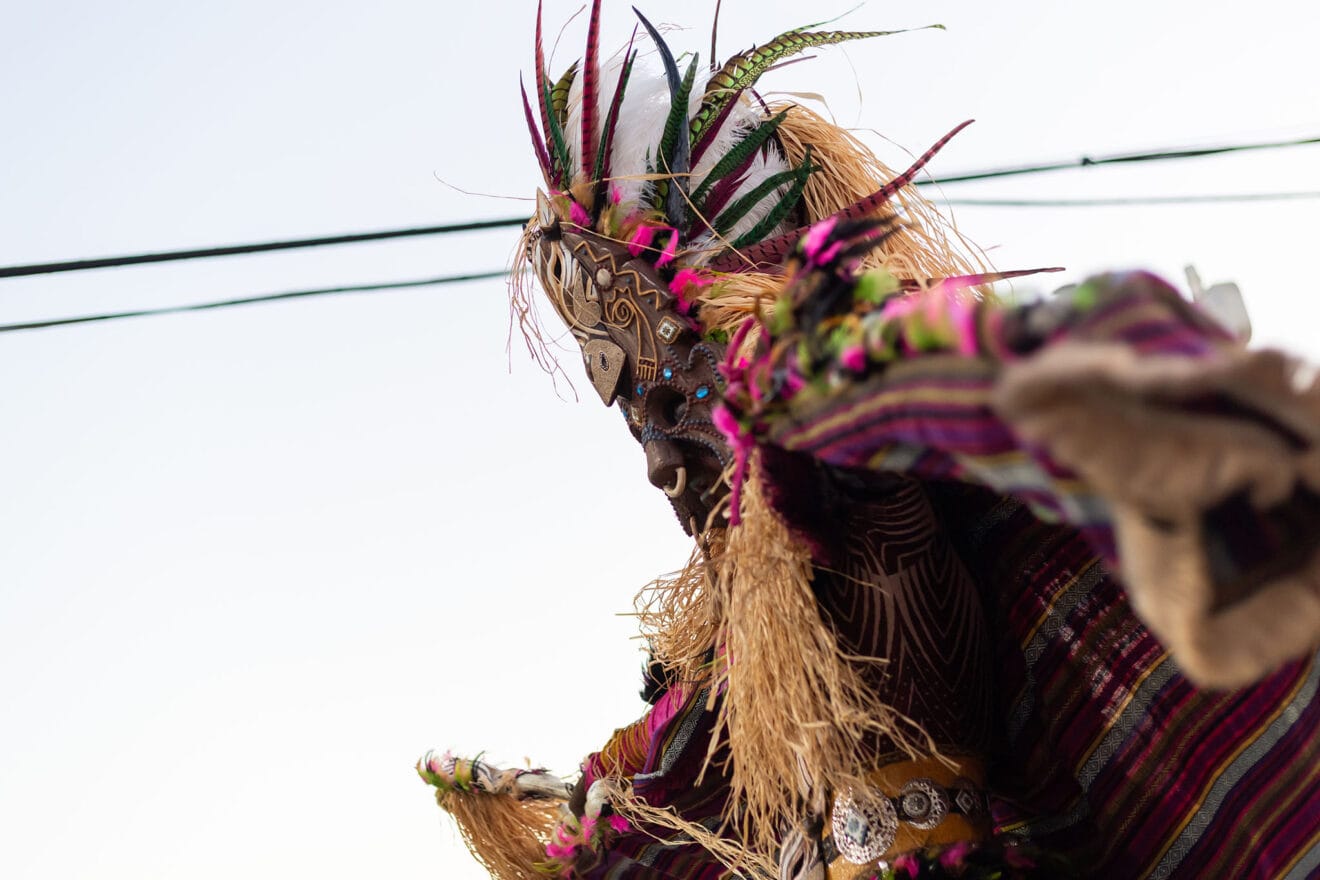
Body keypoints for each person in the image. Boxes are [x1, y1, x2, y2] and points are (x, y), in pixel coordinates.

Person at [419, 3, 1320, 877]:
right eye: (636, 427)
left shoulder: (860, 473)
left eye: (671, 404)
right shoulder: (736, 673)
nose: (658, 467)